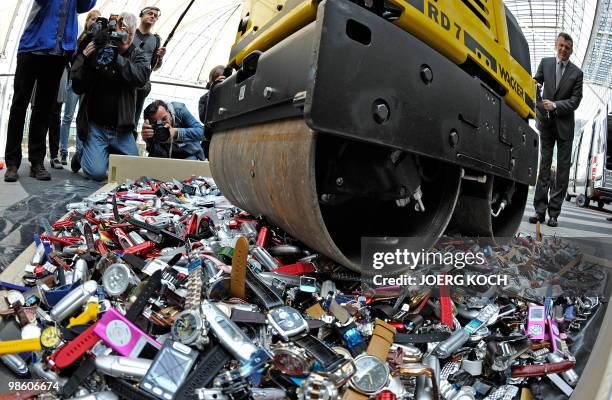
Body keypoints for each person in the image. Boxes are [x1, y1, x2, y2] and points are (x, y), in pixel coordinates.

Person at [3, 0, 97, 183]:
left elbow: (84, 6)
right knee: (19, 105)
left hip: (59, 52)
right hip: (32, 46)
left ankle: (37, 162)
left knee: (44, 109)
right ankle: (12, 163)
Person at [71, 12, 151, 182]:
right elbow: (78, 85)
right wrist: (87, 57)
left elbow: (141, 77)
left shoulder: (137, 54)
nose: (126, 38)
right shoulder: (100, 46)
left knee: (135, 173)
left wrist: (116, 58)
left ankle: (102, 153)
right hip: (96, 127)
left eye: (130, 34)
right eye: (123, 32)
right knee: (97, 174)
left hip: (122, 130)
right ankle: (82, 154)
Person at [529, 33, 583, 227]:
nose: (563, 50)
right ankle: (539, 211)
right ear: (556, 45)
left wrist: (556, 105)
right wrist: (539, 103)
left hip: (565, 128)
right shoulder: (545, 63)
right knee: (544, 167)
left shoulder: (577, 73)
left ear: (571, 50)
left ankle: (553, 214)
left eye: (567, 47)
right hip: (546, 124)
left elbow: (575, 101)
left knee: (562, 172)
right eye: (561, 46)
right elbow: (535, 84)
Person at [59, 9, 101, 169]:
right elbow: (72, 57)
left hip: (89, 84)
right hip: (75, 81)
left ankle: (79, 154)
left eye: (98, 20)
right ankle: (63, 151)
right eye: (92, 19)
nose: (95, 22)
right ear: (87, 21)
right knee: (68, 116)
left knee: (82, 118)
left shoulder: (99, 40)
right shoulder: (81, 38)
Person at [133, 6, 166, 134]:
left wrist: (160, 58)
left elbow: (155, 67)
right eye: (150, 13)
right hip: (127, 80)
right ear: (142, 15)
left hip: (142, 84)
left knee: (134, 120)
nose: (153, 16)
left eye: (155, 16)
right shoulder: (131, 32)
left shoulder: (155, 40)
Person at [198, 65, 227, 159]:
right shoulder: (204, 98)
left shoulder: (231, 95)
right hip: (210, 139)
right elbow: (203, 117)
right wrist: (213, 92)